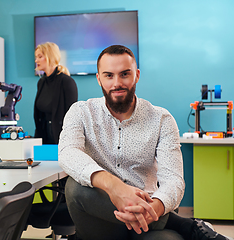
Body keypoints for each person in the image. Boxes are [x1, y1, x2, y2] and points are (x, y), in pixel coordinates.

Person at [58, 45, 231, 240]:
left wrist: (154, 209)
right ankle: (183, 224)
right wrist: (114, 187)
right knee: (75, 188)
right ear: (98, 78)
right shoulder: (81, 112)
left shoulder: (161, 119)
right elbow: (67, 152)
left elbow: (174, 181)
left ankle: (170, 225)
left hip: (148, 220)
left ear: (136, 75)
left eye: (124, 74)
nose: (117, 83)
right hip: (99, 225)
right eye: (108, 75)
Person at [34, 42, 78, 144]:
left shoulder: (67, 82)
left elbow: (72, 116)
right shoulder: (41, 82)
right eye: (36, 57)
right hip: (44, 137)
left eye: (40, 57)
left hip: (62, 139)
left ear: (50, 56)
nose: (36, 60)